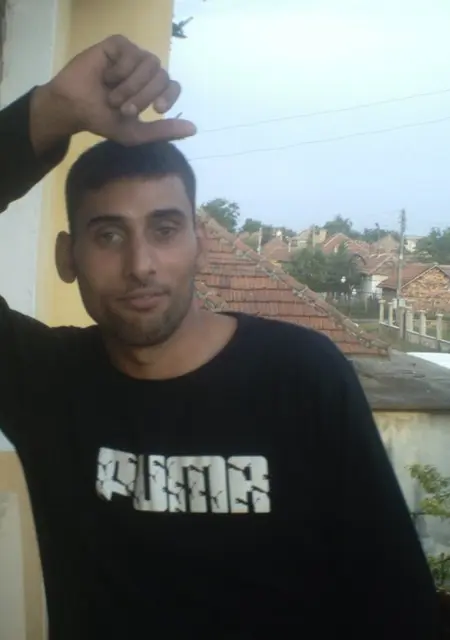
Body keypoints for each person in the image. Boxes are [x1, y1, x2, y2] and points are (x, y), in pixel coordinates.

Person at [0, 36, 439, 640]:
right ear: (66, 257)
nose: (140, 265)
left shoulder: (299, 375)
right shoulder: (43, 381)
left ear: (200, 246)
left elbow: (396, 600)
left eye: (164, 229)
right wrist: (49, 111)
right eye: (108, 235)